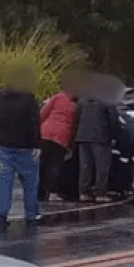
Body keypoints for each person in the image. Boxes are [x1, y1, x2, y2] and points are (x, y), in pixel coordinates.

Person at [0, 65, 42, 228]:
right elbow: (33, 123)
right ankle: (31, 214)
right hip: (24, 146)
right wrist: (36, 143)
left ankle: (2, 214)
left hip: (3, 145)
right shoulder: (28, 99)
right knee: (30, 182)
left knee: (5, 181)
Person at [38, 74, 78, 202]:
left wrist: (38, 128)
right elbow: (73, 126)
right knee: (54, 164)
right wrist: (71, 142)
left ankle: (38, 191)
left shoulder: (57, 97)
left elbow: (43, 113)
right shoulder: (74, 107)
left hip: (45, 132)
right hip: (61, 137)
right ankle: (52, 193)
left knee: (42, 162)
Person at [74, 94, 118, 203]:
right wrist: (114, 135)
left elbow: (76, 118)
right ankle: (100, 193)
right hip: (101, 137)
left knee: (85, 166)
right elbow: (113, 119)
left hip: (83, 136)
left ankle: (84, 192)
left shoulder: (82, 100)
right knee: (102, 166)